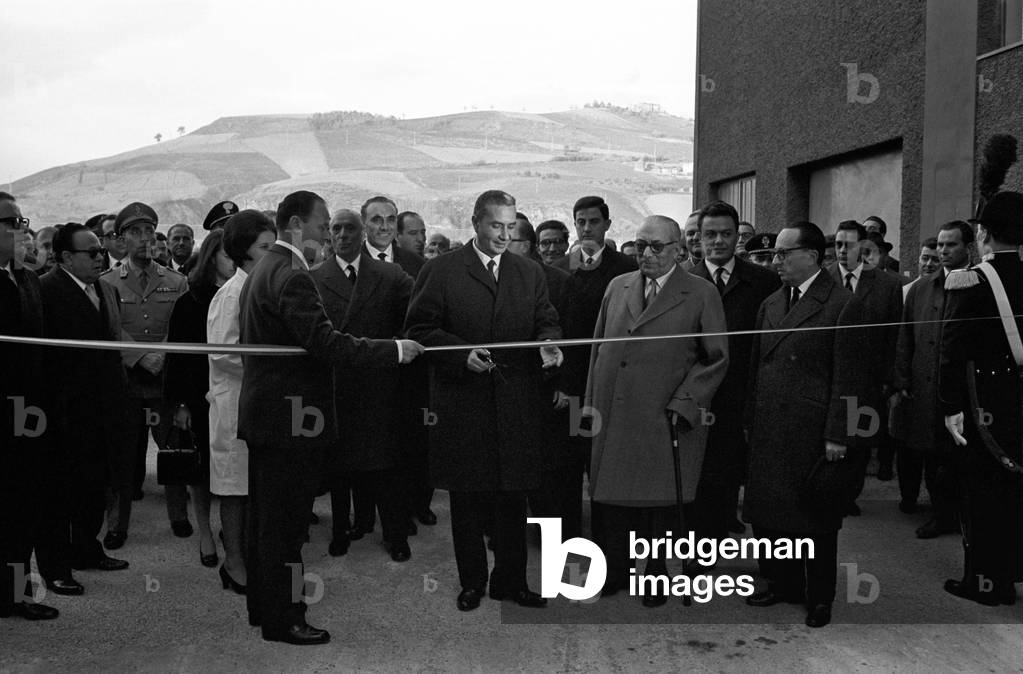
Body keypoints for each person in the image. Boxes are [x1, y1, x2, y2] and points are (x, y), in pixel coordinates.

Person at [238, 190, 423, 644]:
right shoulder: (293, 275)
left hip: (267, 418)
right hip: (292, 422)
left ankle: (266, 609)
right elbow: (329, 344)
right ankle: (288, 619)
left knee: (266, 523)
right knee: (286, 529)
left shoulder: (262, 270)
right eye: (323, 226)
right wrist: (394, 350)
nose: (328, 235)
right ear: (297, 225)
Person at [405, 189, 562, 612]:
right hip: (463, 405)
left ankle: (510, 581)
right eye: (496, 226)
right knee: (468, 501)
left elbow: (546, 320)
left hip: (515, 405)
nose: (503, 235)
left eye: (511, 227)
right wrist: (460, 355)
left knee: (513, 499)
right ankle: (471, 582)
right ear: (475, 223)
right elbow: (419, 329)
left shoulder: (529, 273)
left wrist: (549, 344)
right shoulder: (441, 271)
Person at [587, 214, 729, 606]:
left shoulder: (700, 293)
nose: (645, 254)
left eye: (656, 247)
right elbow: (598, 349)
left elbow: (716, 358)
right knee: (614, 499)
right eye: (639, 245)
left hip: (662, 414)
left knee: (657, 505)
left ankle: (655, 575)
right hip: (614, 411)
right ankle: (615, 569)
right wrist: (590, 406)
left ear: (679, 250)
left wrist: (685, 404)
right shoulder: (618, 286)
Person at [744, 221, 866, 628]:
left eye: (783, 253)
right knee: (774, 517)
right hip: (770, 428)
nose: (775, 261)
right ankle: (784, 584)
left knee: (815, 522)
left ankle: (820, 597)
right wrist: (750, 418)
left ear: (811, 256)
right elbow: (755, 367)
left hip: (813, 433)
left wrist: (839, 434)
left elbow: (853, 379)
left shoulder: (841, 304)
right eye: (776, 254)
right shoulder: (773, 302)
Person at [312, 209, 415, 562]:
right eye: (336, 229)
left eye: (350, 228)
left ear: (363, 233)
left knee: (387, 467)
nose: (342, 235)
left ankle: (396, 534)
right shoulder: (314, 278)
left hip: (381, 385)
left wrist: (396, 351)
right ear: (329, 234)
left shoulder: (390, 274)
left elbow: (416, 317)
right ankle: (342, 529)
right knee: (340, 468)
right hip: (337, 386)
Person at [36, 223, 131, 598]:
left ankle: (87, 550)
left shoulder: (107, 290)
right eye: (90, 252)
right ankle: (56, 569)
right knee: (59, 495)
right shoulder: (44, 291)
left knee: (95, 486)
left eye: (100, 251)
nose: (100, 257)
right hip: (63, 413)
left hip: (104, 409)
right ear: (65, 258)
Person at [939, 191, 1023, 607]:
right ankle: (1011, 573)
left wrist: (949, 406)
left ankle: (986, 583)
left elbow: (951, 349)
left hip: (982, 404)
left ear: (983, 233)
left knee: (983, 496)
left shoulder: (969, 279)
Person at [687, 202, 781, 544]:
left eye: (726, 234)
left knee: (731, 471)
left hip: (742, 392)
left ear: (737, 235)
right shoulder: (683, 280)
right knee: (698, 474)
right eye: (710, 234)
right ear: (698, 237)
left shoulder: (764, 282)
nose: (718, 241)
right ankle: (700, 548)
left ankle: (724, 527)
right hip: (696, 394)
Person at [99, 202, 191, 549]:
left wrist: (161, 355)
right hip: (126, 383)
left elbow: (181, 327)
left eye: (149, 232)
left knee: (173, 450)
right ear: (121, 239)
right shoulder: (107, 282)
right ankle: (117, 523)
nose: (143, 239)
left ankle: (179, 516)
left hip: (164, 383)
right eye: (134, 233)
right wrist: (140, 355)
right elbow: (109, 329)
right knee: (121, 457)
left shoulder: (176, 280)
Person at [553, 196, 637, 540]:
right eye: (580, 222)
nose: (586, 228)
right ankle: (571, 539)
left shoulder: (626, 269)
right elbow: (551, 331)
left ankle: (610, 546)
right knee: (569, 466)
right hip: (571, 389)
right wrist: (556, 382)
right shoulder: (558, 269)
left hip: (611, 386)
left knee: (608, 468)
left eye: (593, 222)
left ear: (607, 225)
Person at [207, 209, 276, 594]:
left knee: (255, 489)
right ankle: (233, 564)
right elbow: (223, 354)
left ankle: (252, 556)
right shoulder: (230, 294)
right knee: (234, 489)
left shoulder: (265, 287)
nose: (272, 253)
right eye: (265, 246)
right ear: (243, 252)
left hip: (260, 402)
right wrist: (270, 366)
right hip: (235, 405)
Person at [0, 192, 60, 621]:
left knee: (21, 507)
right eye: (12, 221)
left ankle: (14, 594)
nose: (22, 229)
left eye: (23, 221)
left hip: (27, 413)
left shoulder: (25, 280)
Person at [892, 222, 973, 536]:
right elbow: (906, 337)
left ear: (968, 247)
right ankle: (941, 515)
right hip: (925, 387)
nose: (943, 251)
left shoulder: (978, 285)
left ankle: (962, 515)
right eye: (940, 245)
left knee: (960, 457)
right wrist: (902, 380)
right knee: (932, 456)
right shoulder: (921, 288)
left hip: (965, 390)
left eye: (950, 245)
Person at [165, 229, 235, 568]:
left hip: (235, 395)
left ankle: (232, 532)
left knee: (234, 467)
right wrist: (179, 404)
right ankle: (206, 533)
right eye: (226, 254)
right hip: (199, 397)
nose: (233, 261)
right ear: (211, 257)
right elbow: (176, 359)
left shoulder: (245, 294)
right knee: (203, 471)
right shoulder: (190, 300)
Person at [505, 213, 574, 533]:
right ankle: (505, 530)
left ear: (529, 245)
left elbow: (574, 338)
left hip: (546, 389)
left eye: (511, 239)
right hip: (503, 388)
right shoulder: (490, 280)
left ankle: (550, 535)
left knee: (548, 471)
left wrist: (565, 384)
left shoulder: (558, 281)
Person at [831, 220, 903, 502]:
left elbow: (892, 336)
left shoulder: (886, 285)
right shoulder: (823, 279)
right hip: (831, 376)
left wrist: (888, 381)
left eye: (848, 245)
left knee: (859, 441)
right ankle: (834, 493)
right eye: (837, 245)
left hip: (868, 380)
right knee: (832, 436)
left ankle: (851, 494)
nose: (841, 251)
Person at [360, 196, 425, 278]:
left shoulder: (416, 263)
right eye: (377, 220)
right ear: (363, 223)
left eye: (391, 220)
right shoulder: (350, 260)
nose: (385, 227)